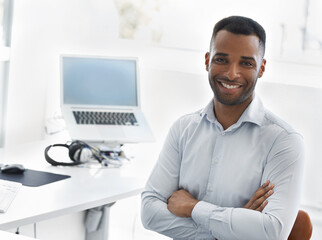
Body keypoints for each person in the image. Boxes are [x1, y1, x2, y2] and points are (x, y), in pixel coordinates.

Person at [141, 16, 305, 240]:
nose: (231, 74)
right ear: (207, 60)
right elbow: (149, 212)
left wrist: (193, 207)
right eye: (222, 60)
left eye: (246, 63)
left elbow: (271, 232)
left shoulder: (284, 141)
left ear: (262, 68)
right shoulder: (183, 129)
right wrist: (230, 229)